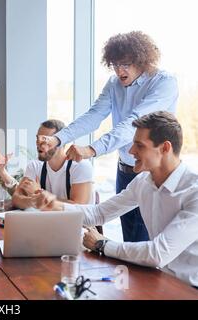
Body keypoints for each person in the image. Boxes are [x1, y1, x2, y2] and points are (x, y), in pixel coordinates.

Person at [41, 31, 179, 242]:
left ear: (142, 60)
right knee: (129, 237)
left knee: (145, 242)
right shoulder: (114, 84)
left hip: (153, 172)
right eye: (114, 64)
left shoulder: (163, 83)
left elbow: (133, 124)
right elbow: (94, 115)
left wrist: (92, 149)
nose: (119, 70)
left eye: (125, 64)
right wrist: (58, 138)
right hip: (125, 170)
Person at [35, 112, 198, 289]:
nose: (130, 151)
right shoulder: (143, 182)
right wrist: (53, 205)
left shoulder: (193, 191)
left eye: (139, 146)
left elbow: (158, 253)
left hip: (189, 288)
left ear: (165, 148)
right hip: (161, 279)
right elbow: (99, 213)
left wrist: (102, 244)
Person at [12, 119, 94, 209]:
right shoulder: (34, 166)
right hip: (48, 221)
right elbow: (16, 199)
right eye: (38, 138)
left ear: (61, 141)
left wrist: (39, 192)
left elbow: (78, 207)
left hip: (77, 223)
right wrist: (35, 200)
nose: (39, 144)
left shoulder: (80, 165)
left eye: (46, 140)